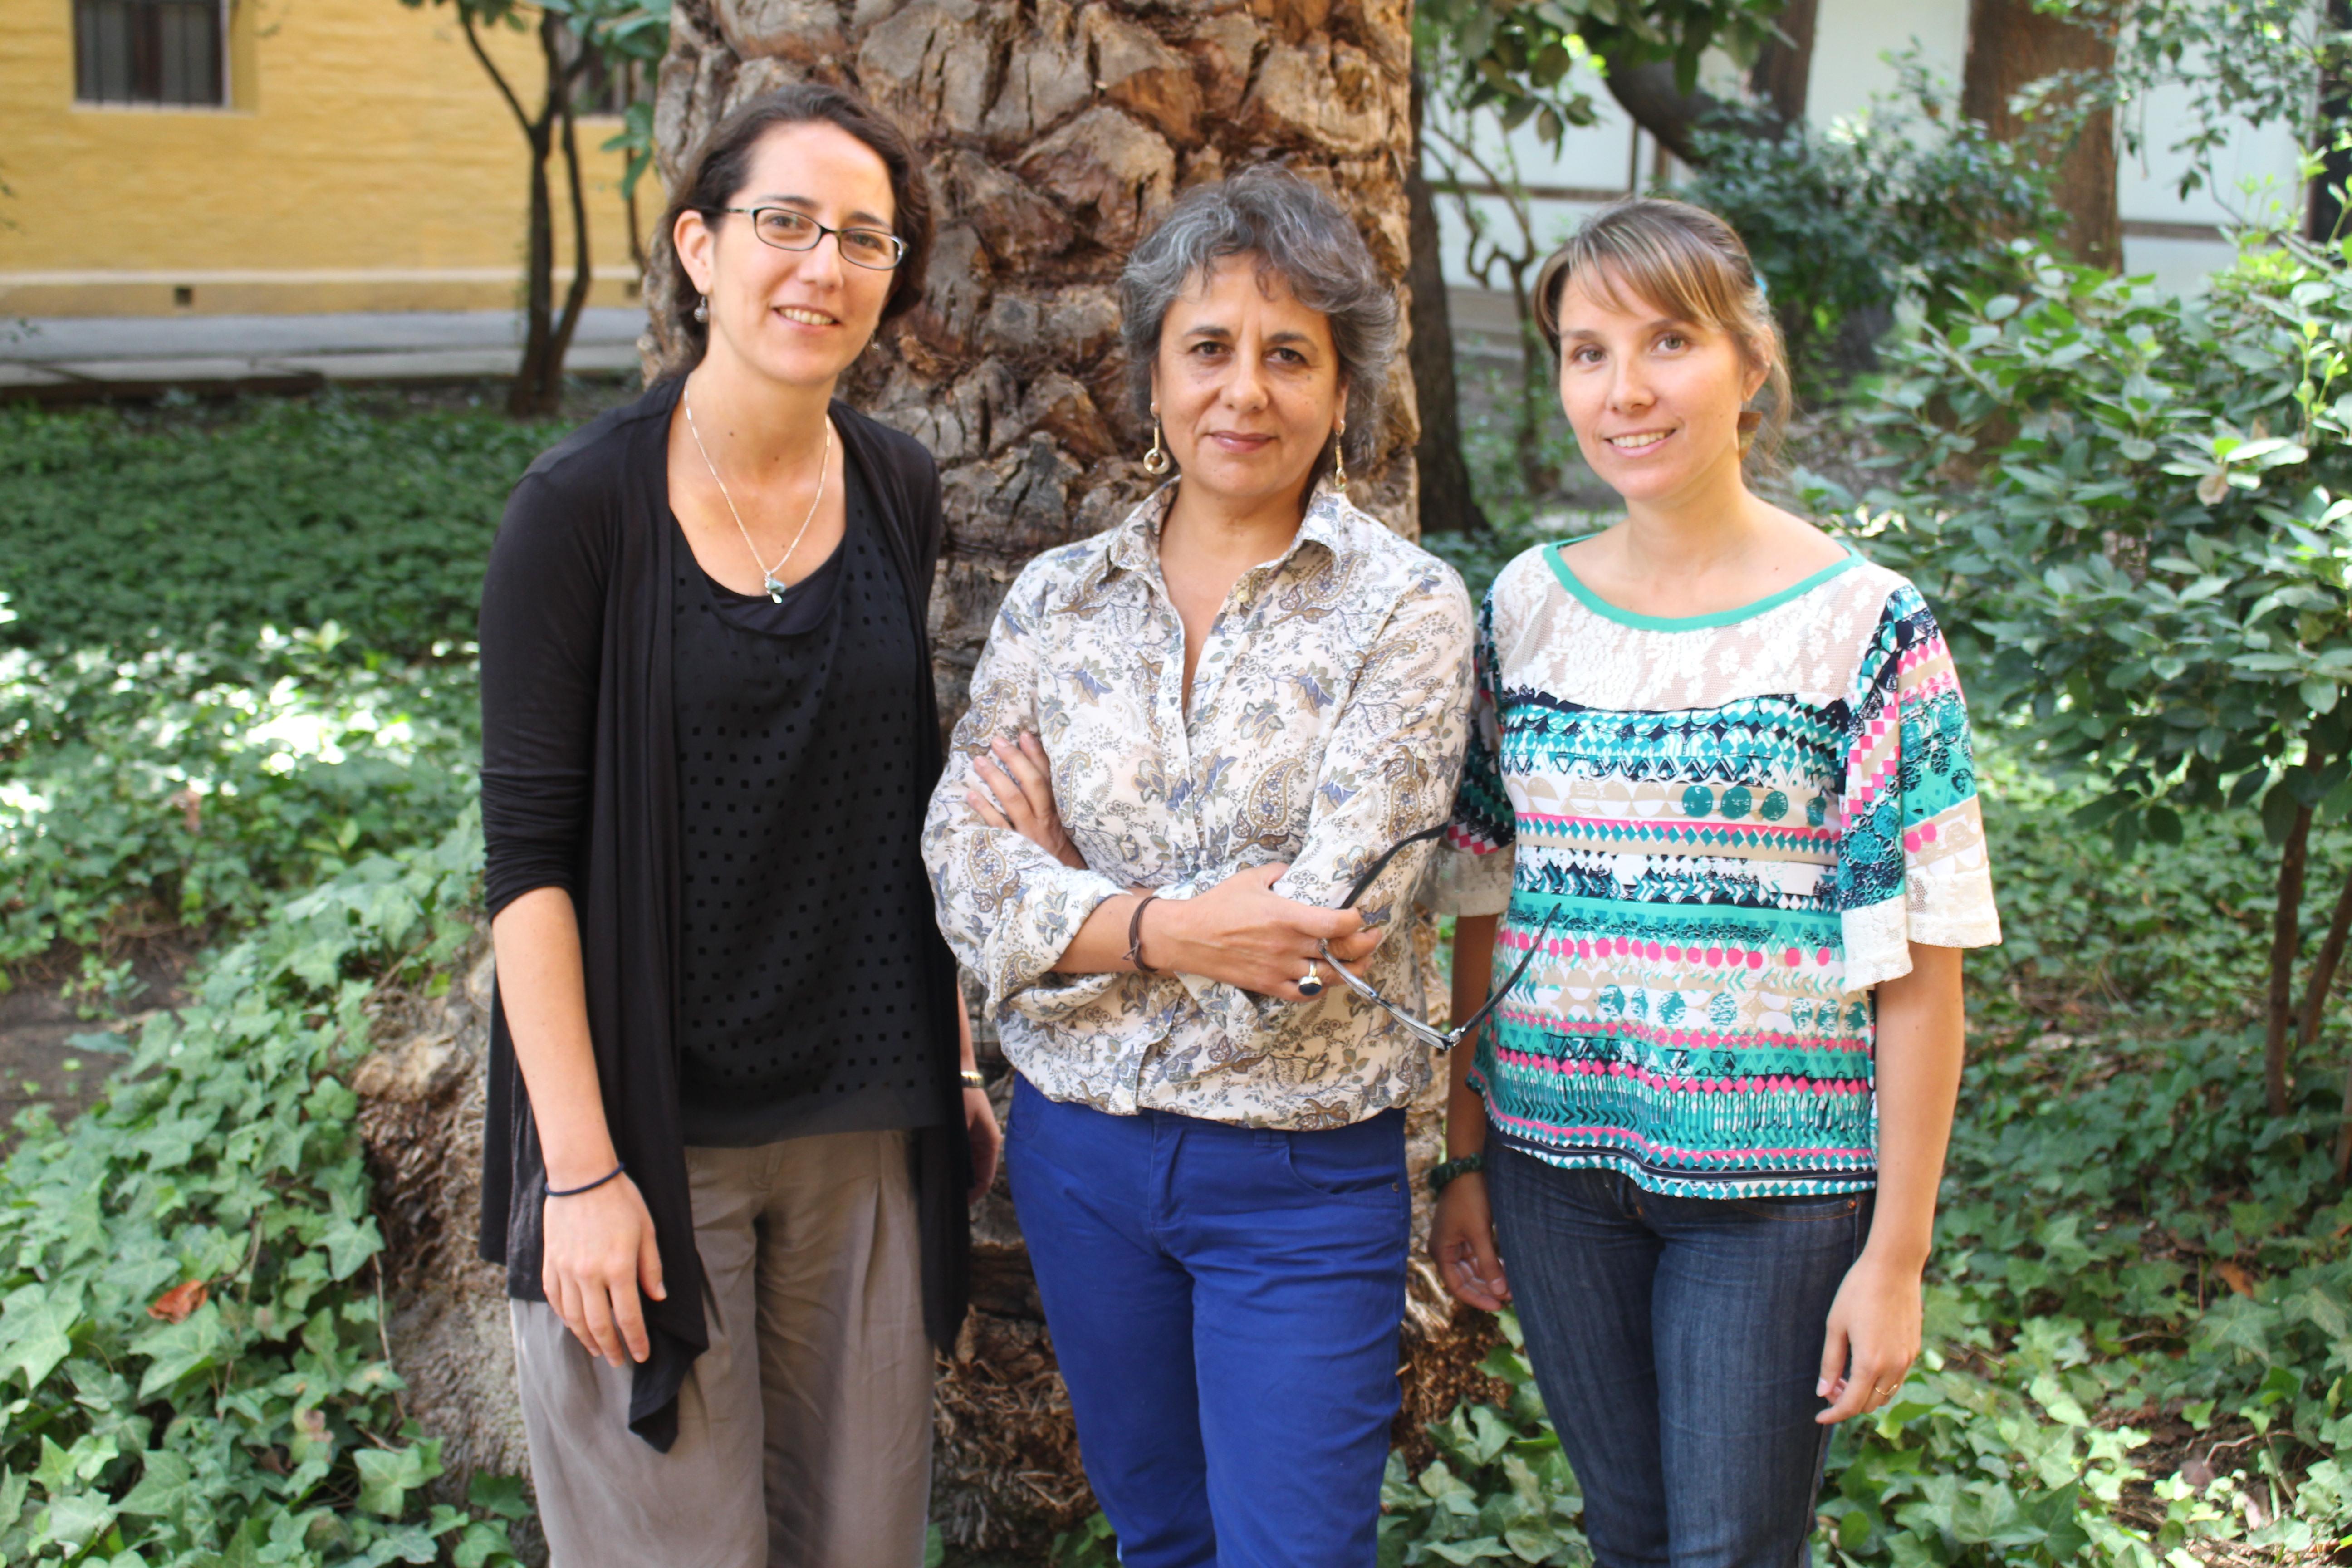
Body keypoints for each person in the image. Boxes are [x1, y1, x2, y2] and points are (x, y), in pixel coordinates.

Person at [1425, 197, 2002, 1567]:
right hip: (1554, 1172)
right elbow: (1479, 896)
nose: (1623, 390)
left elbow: (1920, 964)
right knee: (1627, 1535)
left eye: (1667, 341)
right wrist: (1464, 1154)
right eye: (1584, 350)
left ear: (1749, 362)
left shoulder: (1865, 627)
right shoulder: (1524, 606)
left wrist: (1897, 1257)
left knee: (1734, 1548)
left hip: (1777, 1192)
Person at [475, 84, 1000, 1568]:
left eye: (863, 240)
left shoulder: (898, 484)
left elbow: (908, 797)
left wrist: (953, 1057)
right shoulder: (577, 510)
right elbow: (528, 869)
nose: (820, 268)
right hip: (646, 1136)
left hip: (862, 1122)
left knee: (860, 1544)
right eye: (785, 225)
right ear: (702, 249)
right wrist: (576, 1177)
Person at [921, 167, 1475, 1568]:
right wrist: (1166, 926)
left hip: (1295, 1175)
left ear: (1343, 388)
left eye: (1290, 354)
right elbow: (958, 861)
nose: (1247, 390)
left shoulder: (1405, 609)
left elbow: (1328, 924)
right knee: (1161, 1536)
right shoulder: (1059, 601)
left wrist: (1076, 903)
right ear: (1155, 377)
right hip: (1079, 1157)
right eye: (1209, 348)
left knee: (1291, 1552)